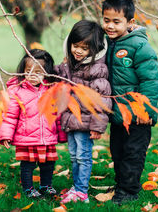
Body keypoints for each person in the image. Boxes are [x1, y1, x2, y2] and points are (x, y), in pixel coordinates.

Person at [102, 0, 158, 204]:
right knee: (117, 152)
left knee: (133, 153)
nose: (110, 26)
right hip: (118, 114)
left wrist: (146, 110)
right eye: (106, 20)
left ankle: (129, 191)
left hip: (138, 116)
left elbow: (151, 80)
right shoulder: (107, 44)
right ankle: (122, 184)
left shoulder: (139, 46)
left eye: (116, 22)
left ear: (130, 22)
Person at [55, 20, 112, 204]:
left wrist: (97, 126)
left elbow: (103, 99)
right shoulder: (70, 64)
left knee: (83, 156)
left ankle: (81, 192)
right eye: (75, 45)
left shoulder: (98, 69)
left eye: (84, 48)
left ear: (94, 49)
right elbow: (58, 79)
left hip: (87, 122)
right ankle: (77, 187)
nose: (78, 51)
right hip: (71, 118)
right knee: (73, 155)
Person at [0, 49, 67, 199]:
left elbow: (56, 115)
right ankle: (28, 188)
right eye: (28, 70)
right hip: (26, 138)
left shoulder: (51, 90)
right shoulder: (17, 91)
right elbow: (10, 116)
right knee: (28, 165)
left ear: (47, 72)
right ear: (22, 71)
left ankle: (46, 185)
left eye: (38, 71)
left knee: (48, 164)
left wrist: (61, 134)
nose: (32, 75)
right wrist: (5, 135)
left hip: (47, 137)